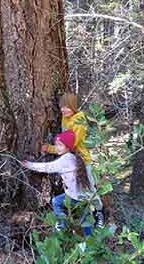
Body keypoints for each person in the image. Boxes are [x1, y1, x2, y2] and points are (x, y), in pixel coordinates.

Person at [41, 93, 105, 228]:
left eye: (67, 107)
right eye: (61, 107)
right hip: (70, 160)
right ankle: (68, 219)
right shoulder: (65, 117)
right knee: (74, 189)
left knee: (89, 189)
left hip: (82, 160)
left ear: (74, 106)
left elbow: (72, 143)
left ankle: (99, 213)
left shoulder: (79, 120)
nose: (63, 110)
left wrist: (51, 149)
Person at [22, 130, 96, 236]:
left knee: (56, 201)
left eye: (60, 145)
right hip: (87, 196)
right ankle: (91, 241)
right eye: (56, 145)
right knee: (85, 220)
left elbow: (47, 167)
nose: (57, 148)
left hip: (76, 196)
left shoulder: (64, 160)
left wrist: (29, 165)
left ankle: (61, 226)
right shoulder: (74, 157)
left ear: (67, 147)